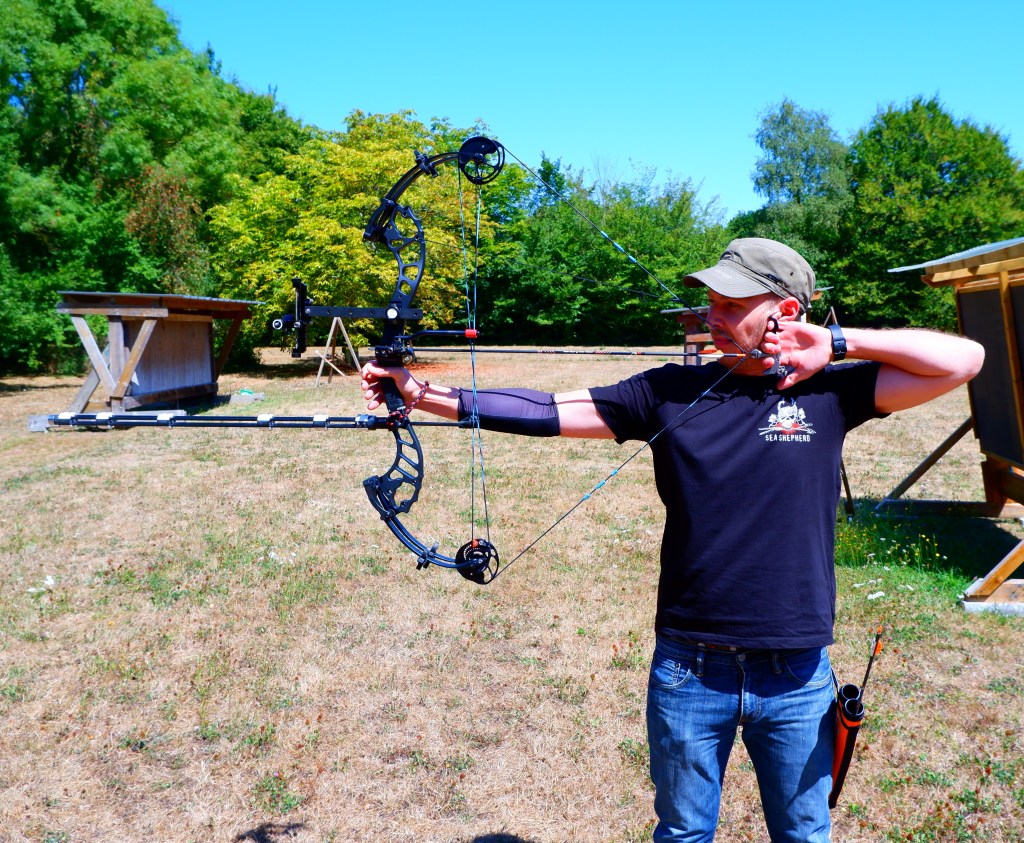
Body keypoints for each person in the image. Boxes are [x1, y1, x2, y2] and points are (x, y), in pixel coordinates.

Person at [360, 238, 984, 842]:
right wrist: (421, 395)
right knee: (684, 833)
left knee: (803, 832)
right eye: (711, 301)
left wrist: (839, 344)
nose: (713, 316)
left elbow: (966, 361)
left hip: (795, 670)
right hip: (690, 668)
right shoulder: (666, 392)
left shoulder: (830, 392)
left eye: (733, 306)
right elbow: (548, 410)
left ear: (786, 313)